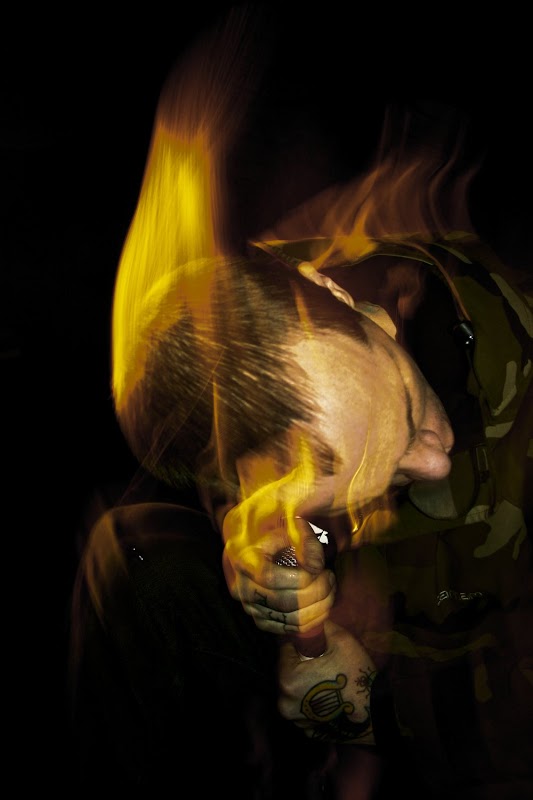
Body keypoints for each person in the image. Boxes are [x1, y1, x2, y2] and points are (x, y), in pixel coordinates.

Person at [66, 11, 533, 799]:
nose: (431, 458)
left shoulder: (491, 288)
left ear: (347, 300)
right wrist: (287, 573)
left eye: (406, 407)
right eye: (370, 476)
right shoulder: (262, 367)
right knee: (132, 559)